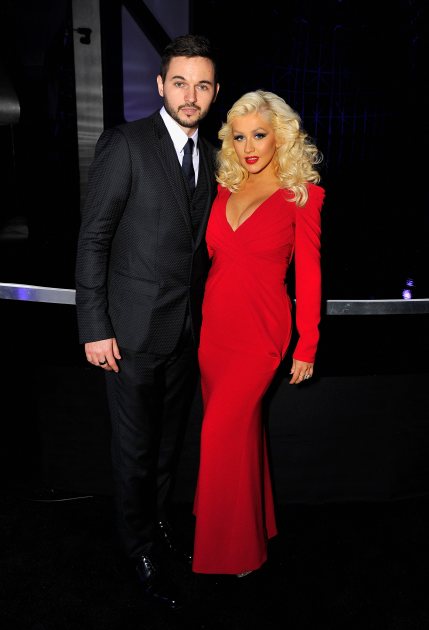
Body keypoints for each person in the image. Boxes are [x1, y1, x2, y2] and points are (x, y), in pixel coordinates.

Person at [74, 34, 220, 609]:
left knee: (165, 448)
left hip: (184, 332)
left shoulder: (212, 156)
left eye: (202, 84)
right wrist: (93, 326)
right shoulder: (126, 144)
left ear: (213, 93)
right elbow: (94, 241)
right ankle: (136, 548)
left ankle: (157, 530)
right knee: (134, 451)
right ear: (160, 85)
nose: (190, 94)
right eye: (179, 82)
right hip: (129, 334)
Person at [192, 90, 325, 577]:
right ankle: (258, 520)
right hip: (214, 334)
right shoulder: (223, 188)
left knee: (222, 432)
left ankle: (235, 552)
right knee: (239, 437)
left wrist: (306, 344)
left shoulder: (301, 196)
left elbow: (309, 276)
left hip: (260, 335)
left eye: (260, 135)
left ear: (281, 136)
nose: (249, 146)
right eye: (240, 136)